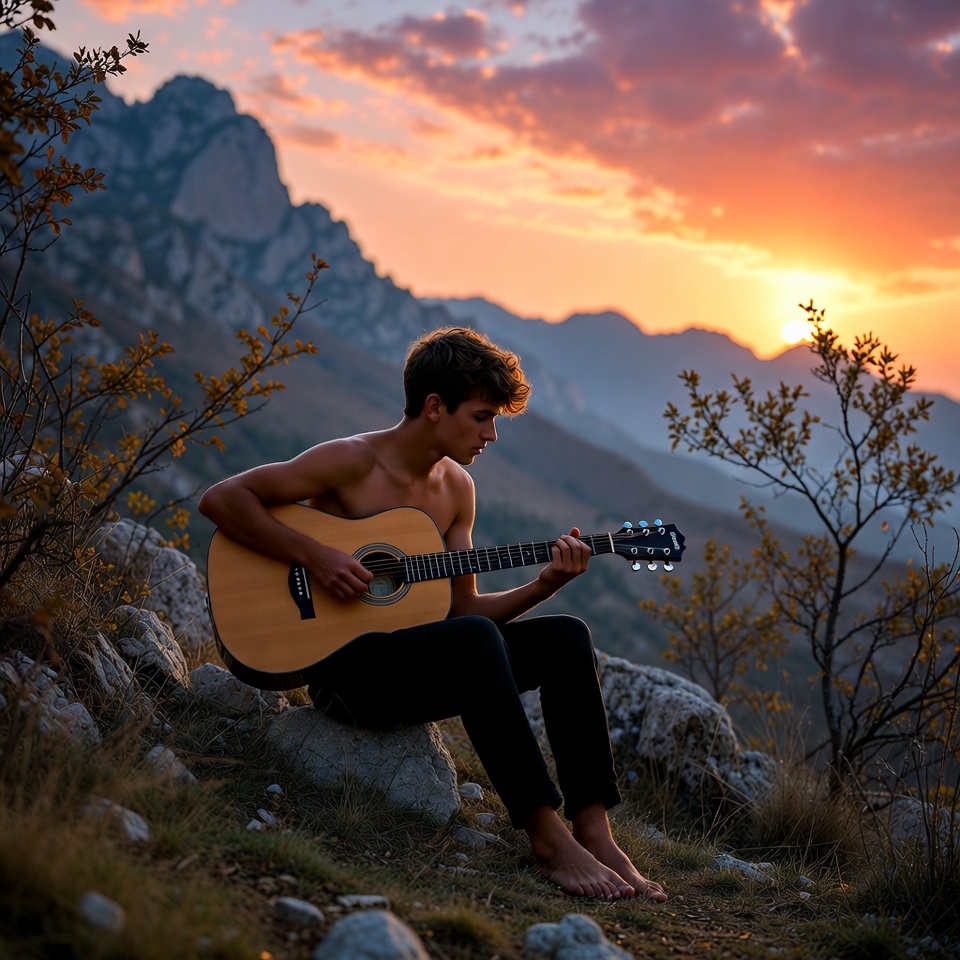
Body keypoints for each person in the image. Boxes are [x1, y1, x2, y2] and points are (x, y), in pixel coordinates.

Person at [198, 326, 668, 903]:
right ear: (434, 407)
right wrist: (316, 555)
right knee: (471, 640)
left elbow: (465, 608)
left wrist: (545, 584)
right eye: (481, 417)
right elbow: (221, 499)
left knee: (568, 637)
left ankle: (594, 829)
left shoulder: (457, 491)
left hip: (413, 666)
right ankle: (547, 838)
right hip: (342, 675)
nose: (492, 434)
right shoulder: (351, 461)